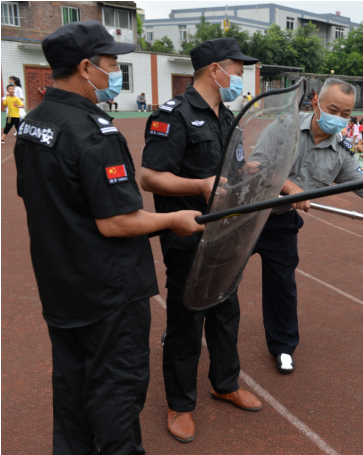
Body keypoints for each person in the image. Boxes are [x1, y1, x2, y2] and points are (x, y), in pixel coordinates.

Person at [14, 20, 204, 453]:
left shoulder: (33, 124)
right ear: (85, 67)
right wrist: (173, 221)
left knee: (72, 392)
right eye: (111, 62)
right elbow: (116, 221)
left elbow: (36, 197)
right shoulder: (93, 132)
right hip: (108, 293)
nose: (115, 70)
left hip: (62, 286)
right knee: (115, 394)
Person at [254, 78, 363, 374]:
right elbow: (258, 166)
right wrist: (292, 188)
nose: (338, 118)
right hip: (248, 213)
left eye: (346, 114)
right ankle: (184, 329)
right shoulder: (284, 127)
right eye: (333, 109)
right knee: (220, 276)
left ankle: (283, 347)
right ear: (316, 103)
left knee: (283, 285)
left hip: (281, 221)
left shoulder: (342, 151)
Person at [140, 37, 263, 443]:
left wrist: (258, 175)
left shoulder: (228, 117)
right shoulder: (172, 115)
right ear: (215, 69)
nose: (241, 76)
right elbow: (150, 176)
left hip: (228, 237)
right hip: (189, 239)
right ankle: (180, 404)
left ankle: (224, 382)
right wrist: (200, 183)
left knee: (226, 314)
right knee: (187, 322)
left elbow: (236, 169)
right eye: (237, 68)